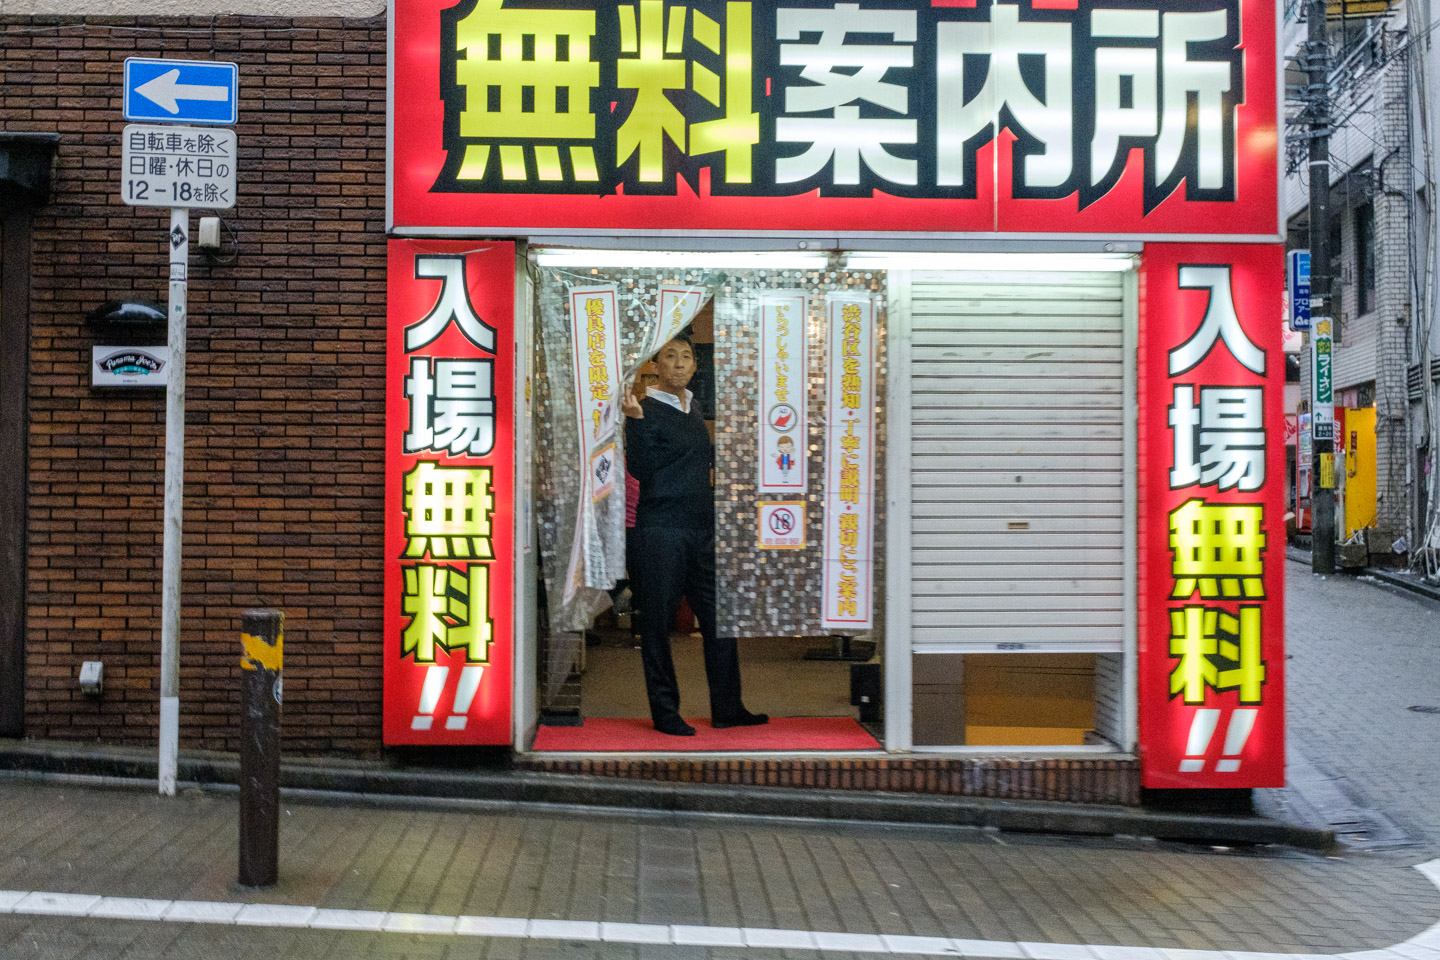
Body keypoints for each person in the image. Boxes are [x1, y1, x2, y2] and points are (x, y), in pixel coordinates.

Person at [622, 336, 768, 736]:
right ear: (655, 364)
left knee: (720, 618)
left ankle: (727, 707)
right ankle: (665, 712)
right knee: (657, 623)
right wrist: (633, 423)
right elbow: (641, 468)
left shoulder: (693, 407)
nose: (680, 364)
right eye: (671, 356)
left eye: (687, 357)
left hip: (702, 528)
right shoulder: (645, 409)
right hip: (660, 529)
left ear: (695, 366)